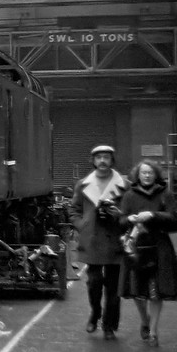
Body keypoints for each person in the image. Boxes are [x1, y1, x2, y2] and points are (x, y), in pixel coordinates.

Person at [118, 160, 177, 347]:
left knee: (156, 293)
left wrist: (153, 215)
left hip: (159, 247)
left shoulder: (165, 194)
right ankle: (145, 320)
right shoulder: (129, 195)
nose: (147, 176)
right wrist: (129, 219)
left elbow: (175, 221)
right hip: (136, 247)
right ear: (137, 175)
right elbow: (121, 222)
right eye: (143, 172)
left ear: (156, 174)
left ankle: (153, 332)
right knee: (137, 292)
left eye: (150, 172)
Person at [68, 144, 129, 340]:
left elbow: (131, 212)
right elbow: (73, 210)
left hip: (115, 239)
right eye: (99, 157)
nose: (102, 161)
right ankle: (95, 313)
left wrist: (120, 216)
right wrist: (82, 225)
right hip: (92, 239)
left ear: (112, 161)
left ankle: (109, 325)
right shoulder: (83, 185)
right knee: (93, 283)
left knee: (113, 287)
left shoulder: (124, 185)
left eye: (106, 157)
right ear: (93, 161)